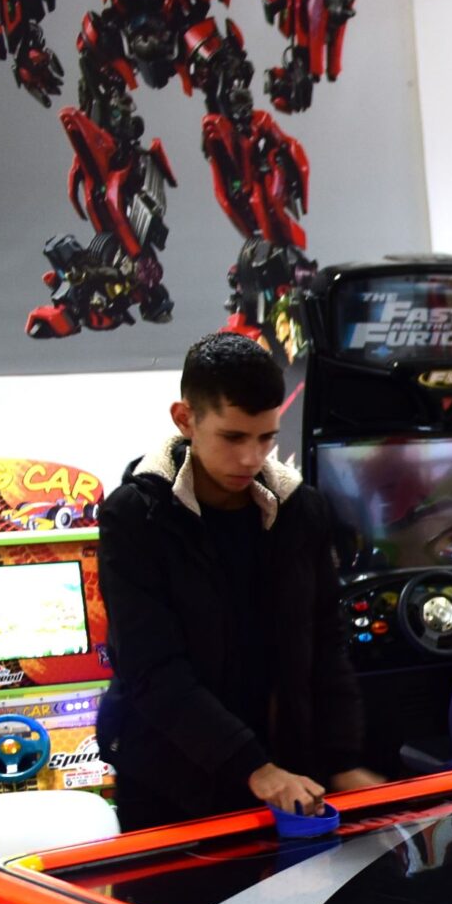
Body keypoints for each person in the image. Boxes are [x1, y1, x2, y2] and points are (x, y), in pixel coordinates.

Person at [97, 331, 381, 829]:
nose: (252, 457)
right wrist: (253, 767)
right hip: (171, 782)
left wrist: (341, 759)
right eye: (233, 437)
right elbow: (152, 669)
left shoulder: (301, 509)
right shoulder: (135, 516)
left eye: (266, 437)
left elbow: (325, 643)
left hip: (287, 775)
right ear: (185, 419)